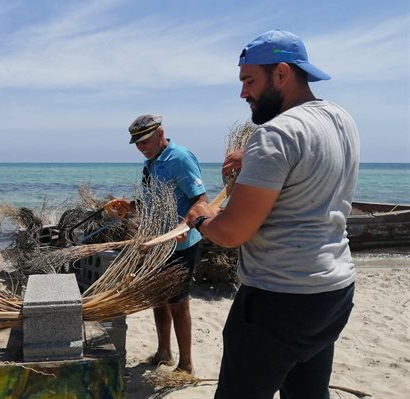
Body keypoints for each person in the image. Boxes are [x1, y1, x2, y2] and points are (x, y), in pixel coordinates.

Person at [185, 29, 360, 398]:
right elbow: (309, 156)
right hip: (332, 291)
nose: (243, 93)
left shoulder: (275, 135)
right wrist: (251, 155)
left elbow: (233, 233)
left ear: (281, 73)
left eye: (249, 80)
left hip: (278, 299)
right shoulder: (340, 118)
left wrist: (200, 216)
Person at [108, 114, 207, 374]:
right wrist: (131, 206)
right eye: (137, 143)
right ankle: (164, 352)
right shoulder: (151, 163)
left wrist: (184, 225)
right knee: (157, 298)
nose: (141, 147)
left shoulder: (180, 158)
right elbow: (156, 202)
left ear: (160, 134)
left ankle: (186, 365)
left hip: (182, 245)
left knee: (178, 302)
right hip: (157, 244)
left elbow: (201, 200)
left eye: (145, 141)